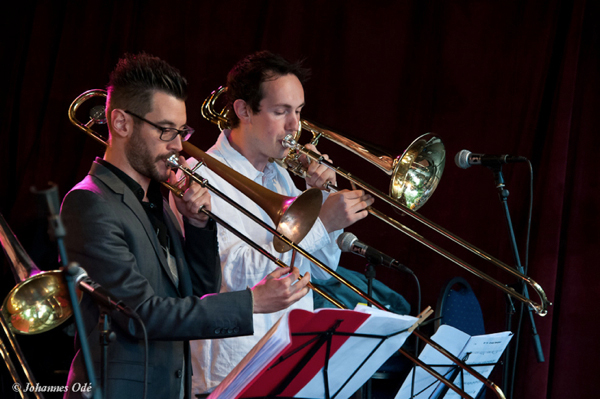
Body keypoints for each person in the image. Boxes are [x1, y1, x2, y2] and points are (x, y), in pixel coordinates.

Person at [60, 53, 310, 399]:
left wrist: (197, 224)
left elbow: (200, 289)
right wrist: (250, 302)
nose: (178, 146)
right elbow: (142, 314)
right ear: (121, 124)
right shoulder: (89, 202)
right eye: (165, 131)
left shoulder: (156, 201)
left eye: (181, 131)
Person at [176, 51, 374, 396]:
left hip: (288, 364)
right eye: (281, 111)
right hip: (230, 372)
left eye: (298, 111)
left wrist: (324, 202)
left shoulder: (282, 177)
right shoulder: (201, 177)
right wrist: (321, 226)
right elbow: (228, 275)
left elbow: (321, 273)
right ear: (243, 110)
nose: (294, 126)